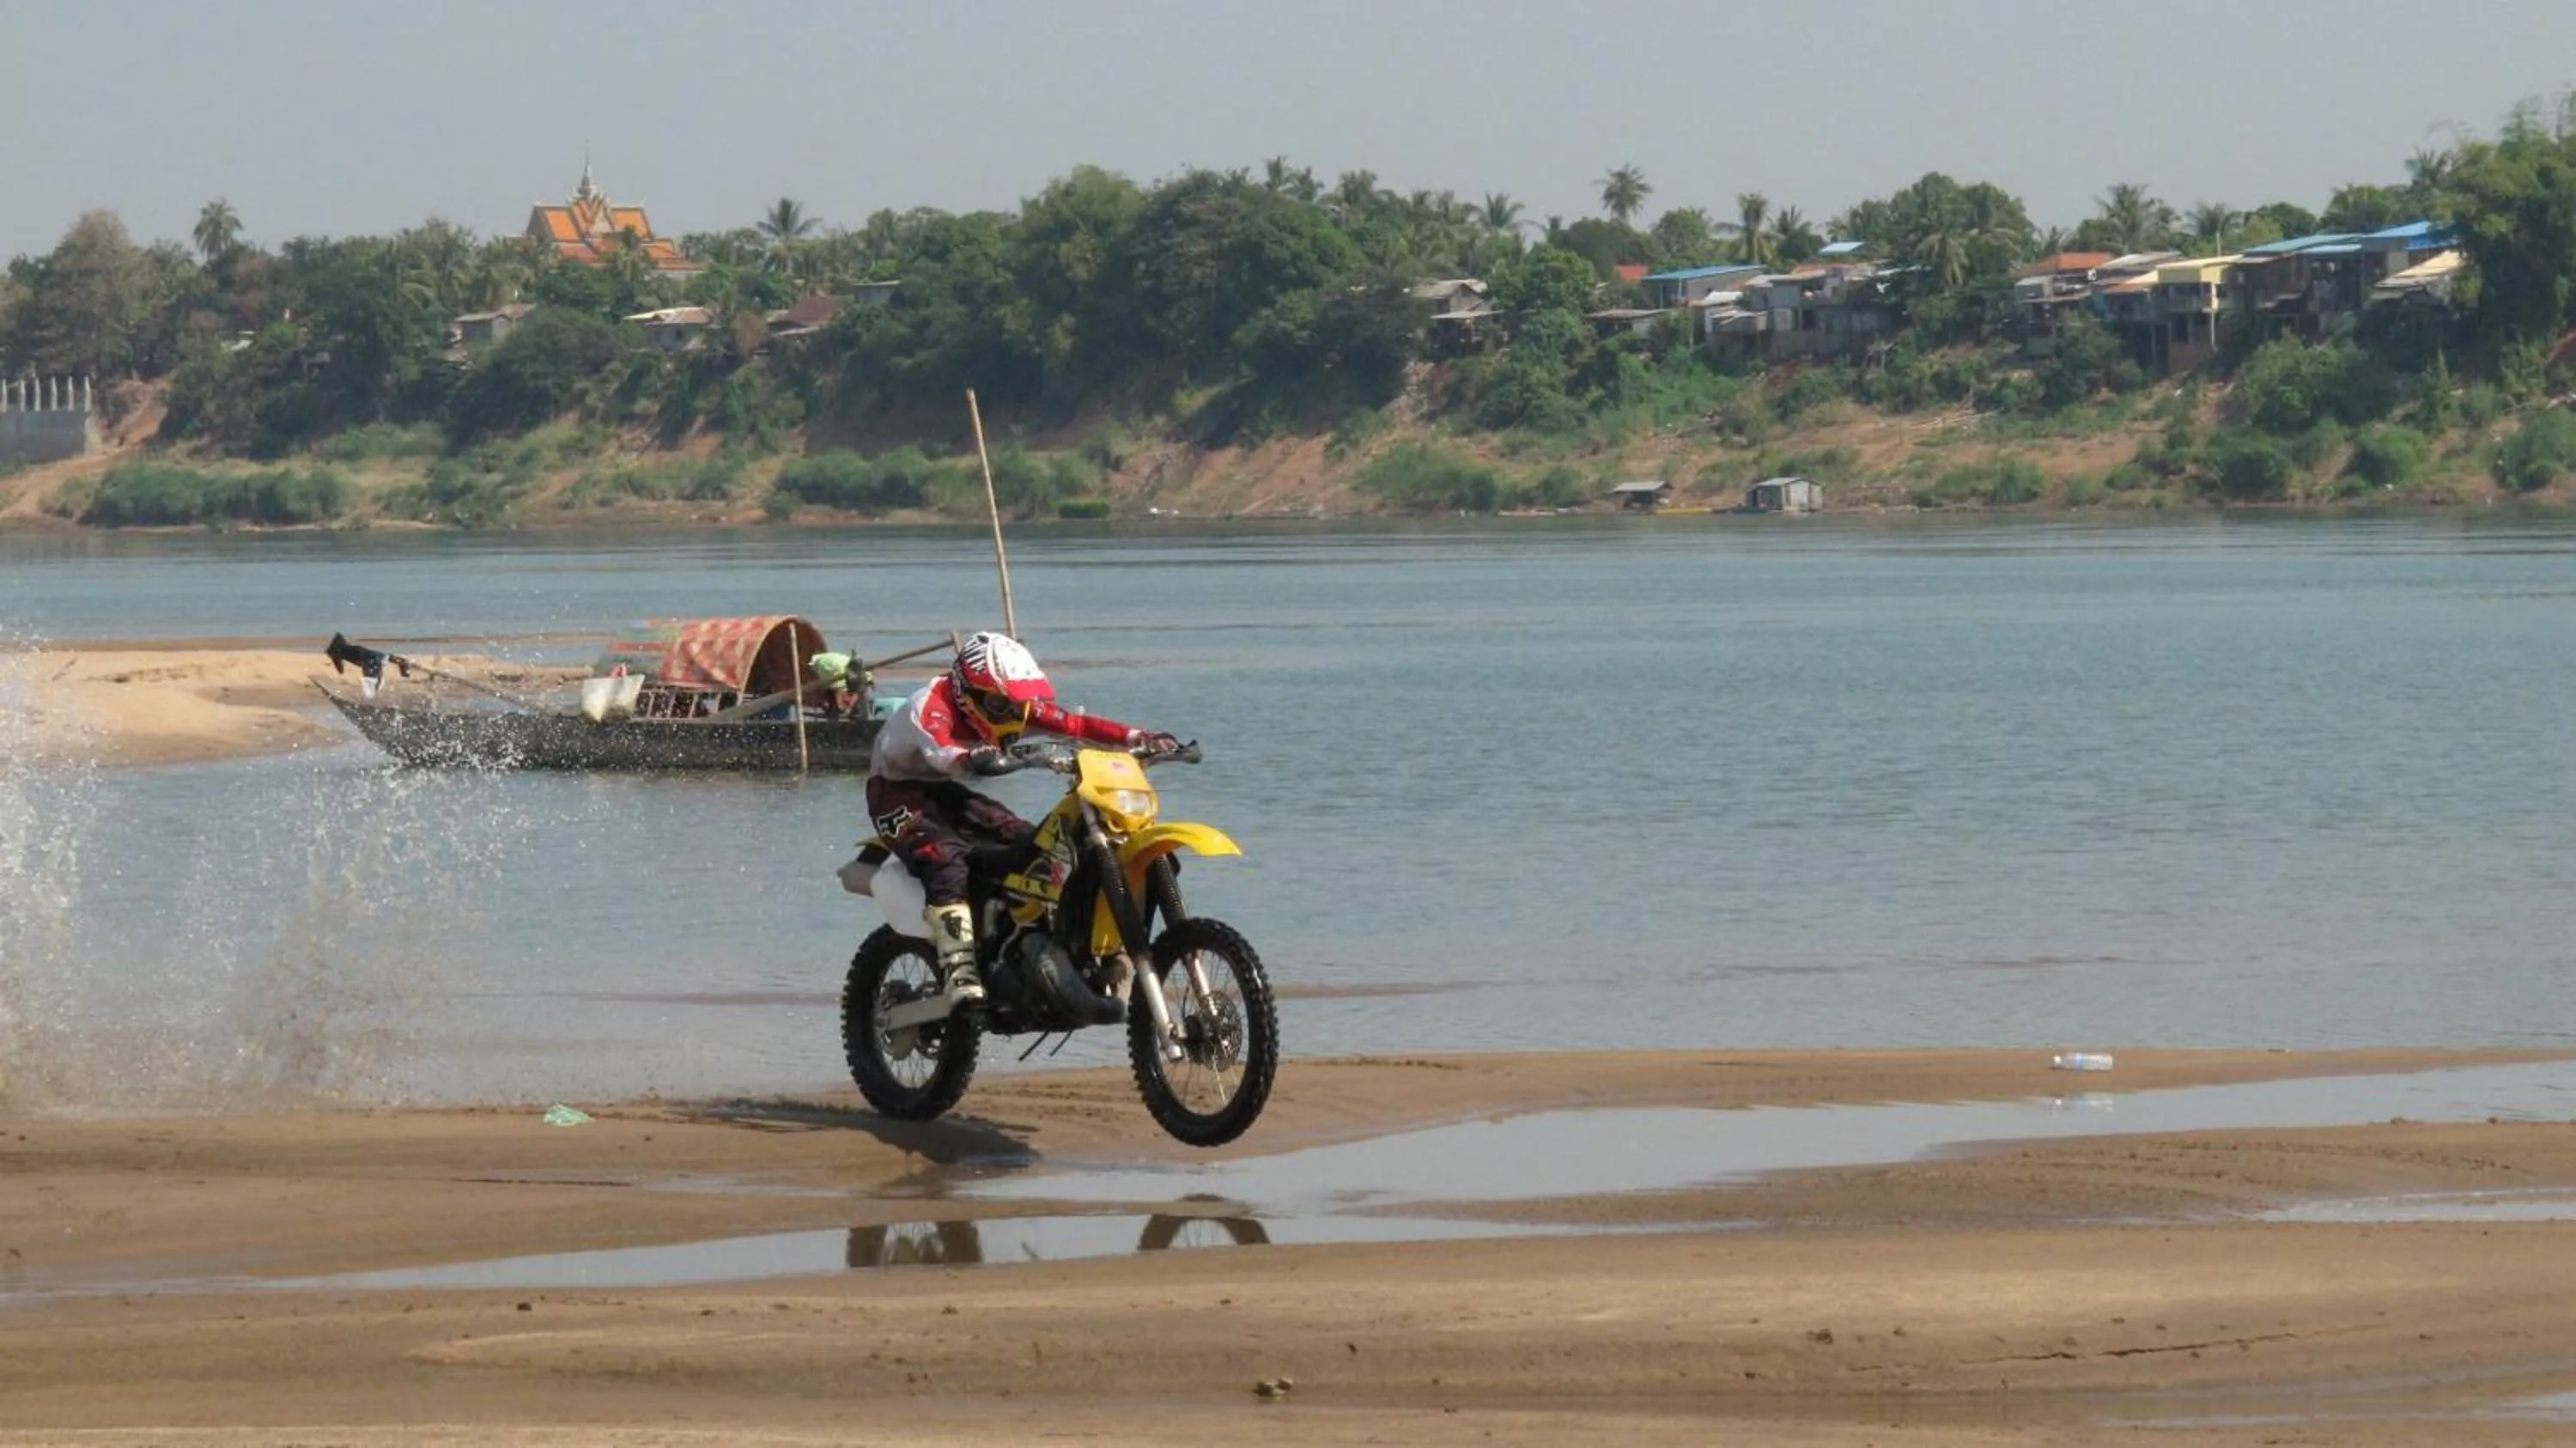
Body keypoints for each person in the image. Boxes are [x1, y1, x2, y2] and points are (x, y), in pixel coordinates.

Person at [866, 631, 1177, 1005]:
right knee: (944, 856)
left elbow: (1077, 726)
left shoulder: (1013, 706)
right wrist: (972, 757)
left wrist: (1142, 738)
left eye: (1017, 705)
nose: (1014, 715)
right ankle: (959, 967)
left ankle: (1035, 937)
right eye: (1002, 706)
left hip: (945, 790)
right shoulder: (931, 706)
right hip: (894, 792)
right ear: (967, 693)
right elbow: (942, 753)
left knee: (1031, 840)